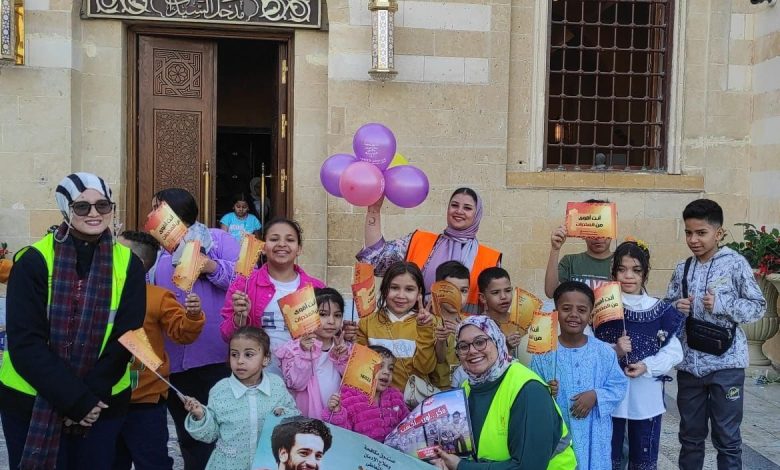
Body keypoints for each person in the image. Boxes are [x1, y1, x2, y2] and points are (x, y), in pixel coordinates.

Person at [0, 173, 146, 469]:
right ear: (66, 209)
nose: (94, 213)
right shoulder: (33, 261)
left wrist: (87, 401)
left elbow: (127, 336)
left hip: (101, 403)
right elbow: (25, 342)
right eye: (82, 206)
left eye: (102, 205)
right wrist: (76, 401)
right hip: (32, 400)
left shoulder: (129, 264)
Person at [665, 199, 765, 470]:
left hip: (726, 365)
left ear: (718, 233)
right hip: (690, 366)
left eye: (701, 233)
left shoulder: (736, 264)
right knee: (690, 437)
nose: (693, 240)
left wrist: (722, 304)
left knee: (727, 439)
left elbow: (758, 307)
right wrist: (675, 307)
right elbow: (666, 308)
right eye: (688, 232)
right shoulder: (683, 267)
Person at [148, 187, 240, 470]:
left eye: (156, 208)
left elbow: (242, 279)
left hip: (215, 356)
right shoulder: (156, 251)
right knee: (189, 433)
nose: (151, 214)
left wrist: (210, 265)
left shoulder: (218, 239)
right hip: (174, 358)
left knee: (221, 431)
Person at [113, 231, 206, 470]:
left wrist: (193, 316)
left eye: (116, 251)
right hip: (106, 399)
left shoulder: (157, 296)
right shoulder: (99, 293)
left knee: (152, 462)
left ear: (136, 262)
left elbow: (182, 333)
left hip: (146, 400)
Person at [432, 316, 577, 470]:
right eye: (463, 346)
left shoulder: (528, 390)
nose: (472, 351)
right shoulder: (467, 388)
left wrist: (461, 466)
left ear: (497, 341)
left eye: (480, 342)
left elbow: (527, 467)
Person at [594, 240, 684, 469]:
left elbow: (674, 352)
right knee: (608, 458)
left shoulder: (660, 310)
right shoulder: (602, 307)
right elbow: (590, 348)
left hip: (646, 397)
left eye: (636, 270)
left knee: (643, 458)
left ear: (645, 273)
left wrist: (647, 366)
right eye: (622, 269)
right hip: (610, 398)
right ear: (614, 273)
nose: (628, 276)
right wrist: (615, 350)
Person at [531, 281, 628, 470]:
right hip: (559, 435)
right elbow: (532, 392)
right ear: (556, 313)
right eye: (566, 308)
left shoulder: (604, 352)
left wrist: (595, 395)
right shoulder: (543, 354)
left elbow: (619, 386)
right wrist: (546, 391)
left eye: (582, 310)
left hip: (595, 436)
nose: (574, 314)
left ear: (591, 315)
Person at [358, 188, 501, 314]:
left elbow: (495, 307)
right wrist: (373, 210)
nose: (459, 211)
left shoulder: (490, 258)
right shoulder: (419, 240)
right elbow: (377, 258)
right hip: (415, 329)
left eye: (467, 208)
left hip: (463, 333)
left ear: (477, 214)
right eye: (454, 205)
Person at [220, 218, 326, 376]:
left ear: (299, 249)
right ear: (263, 247)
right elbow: (226, 335)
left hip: (304, 379)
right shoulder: (244, 285)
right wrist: (239, 318)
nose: (282, 244)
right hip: (258, 379)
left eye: (290, 240)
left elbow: (327, 336)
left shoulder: (317, 288)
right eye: (274, 239)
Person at [183, 327, 298, 470]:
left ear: (266, 358)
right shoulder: (220, 390)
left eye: (248, 354)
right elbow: (210, 434)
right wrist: (201, 415)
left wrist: (282, 413)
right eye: (234, 354)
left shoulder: (276, 385)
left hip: (267, 465)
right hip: (228, 465)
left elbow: (294, 417)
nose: (240, 361)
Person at [356, 262, 436, 391]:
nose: (401, 295)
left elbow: (426, 368)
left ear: (419, 293)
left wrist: (425, 330)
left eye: (409, 289)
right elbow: (360, 369)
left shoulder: (428, 322)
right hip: (377, 399)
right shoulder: (367, 323)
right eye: (394, 288)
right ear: (384, 289)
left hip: (415, 400)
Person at [277, 288, 351, 418]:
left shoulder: (345, 347)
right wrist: (305, 353)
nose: (331, 321)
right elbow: (296, 384)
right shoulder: (294, 349)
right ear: (308, 316)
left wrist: (342, 358)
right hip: (308, 418)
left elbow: (351, 382)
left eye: (337, 315)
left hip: (337, 417)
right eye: (323, 314)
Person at [325, 345, 410, 442]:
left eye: (390, 368)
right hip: (360, 450)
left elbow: (408, 424)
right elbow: (342, 435)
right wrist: (337, 413)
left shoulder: (396, 397)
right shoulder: (350, 399)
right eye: (380, 366)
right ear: (364, 369)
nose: (387, 372)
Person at [544, 199, 613, 298]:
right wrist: (555, 249)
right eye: (591, 231)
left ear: (612, 230)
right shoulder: (570, 262)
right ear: (582, 233)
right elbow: (551, 292)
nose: (598, 237)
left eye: (603, 230)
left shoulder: (622, 263)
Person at [431, 261, 470, 389]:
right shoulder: (427, 321)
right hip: (436, 391)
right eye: (451, 290)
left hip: (468, 388)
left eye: (463, 291)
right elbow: (439, 359)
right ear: (437, 290)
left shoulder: (472, 323)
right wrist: (441, 340)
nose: (457, 297)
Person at [476, 267, 527, 362]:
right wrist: (506, 346)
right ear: (483, 298)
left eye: (508, 290)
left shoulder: (520, 323)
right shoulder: (478, 326)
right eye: (495, 292)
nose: (503, 296)